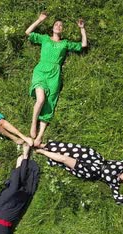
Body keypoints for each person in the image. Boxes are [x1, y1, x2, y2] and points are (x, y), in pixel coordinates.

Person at [25, 12, 88, 146]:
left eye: (61, 25)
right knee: (41, 99)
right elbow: (28, 32)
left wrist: (82, 29)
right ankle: (33, 124)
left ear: (62, 30)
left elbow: (83, 45)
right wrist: (39, 20)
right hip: (41, 70)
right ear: (52, 28)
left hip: (55, 74)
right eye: (56, 24)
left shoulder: (65, 43)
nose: (58, 26)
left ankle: (40, 135)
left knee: (49, 103)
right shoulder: (45, 39)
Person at [35, 140, 123, 204]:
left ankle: (42, 152)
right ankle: (43, 146)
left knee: (65, 159)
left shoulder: (114, 184)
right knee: (70, 149)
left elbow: (117, 199)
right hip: (93, 158)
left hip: (90, 171)